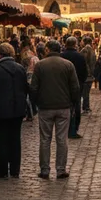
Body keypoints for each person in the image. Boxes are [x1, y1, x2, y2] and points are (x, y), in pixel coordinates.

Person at [30, 39, 80, 180]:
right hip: (63, 107)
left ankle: (45, 170)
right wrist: (74, 103)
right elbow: (75, 87)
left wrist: (35, 104)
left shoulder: (40, 65)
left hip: (45, 107)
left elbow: (33, 87)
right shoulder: (68, 65)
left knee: (45, 139)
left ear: (47, 49)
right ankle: (60, 169)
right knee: (62, 139)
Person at [0, 42, 29, 179]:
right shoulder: (20, 68)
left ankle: (2, 170)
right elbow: (25, 88)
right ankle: (15, 170)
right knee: (15, 139)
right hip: (18, 110)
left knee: (2, 139)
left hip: (0, 111)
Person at [61, 36, 87, 139]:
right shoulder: (79, 56)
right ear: (75, 44)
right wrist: (81, 82)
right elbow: (84, 72)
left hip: (63, 85)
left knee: (65, 106)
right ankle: (74, 129)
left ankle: (66, 128)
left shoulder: (61, 56)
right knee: (76, 106)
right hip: (77, 84)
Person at [80, 35, 97, 114]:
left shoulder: (85, 50)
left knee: (85, 92)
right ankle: (86, 107)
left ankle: (86, 107)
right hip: (90, 74)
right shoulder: (92, 50)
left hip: (87, 74)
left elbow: (84, 62)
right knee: (86, 92)